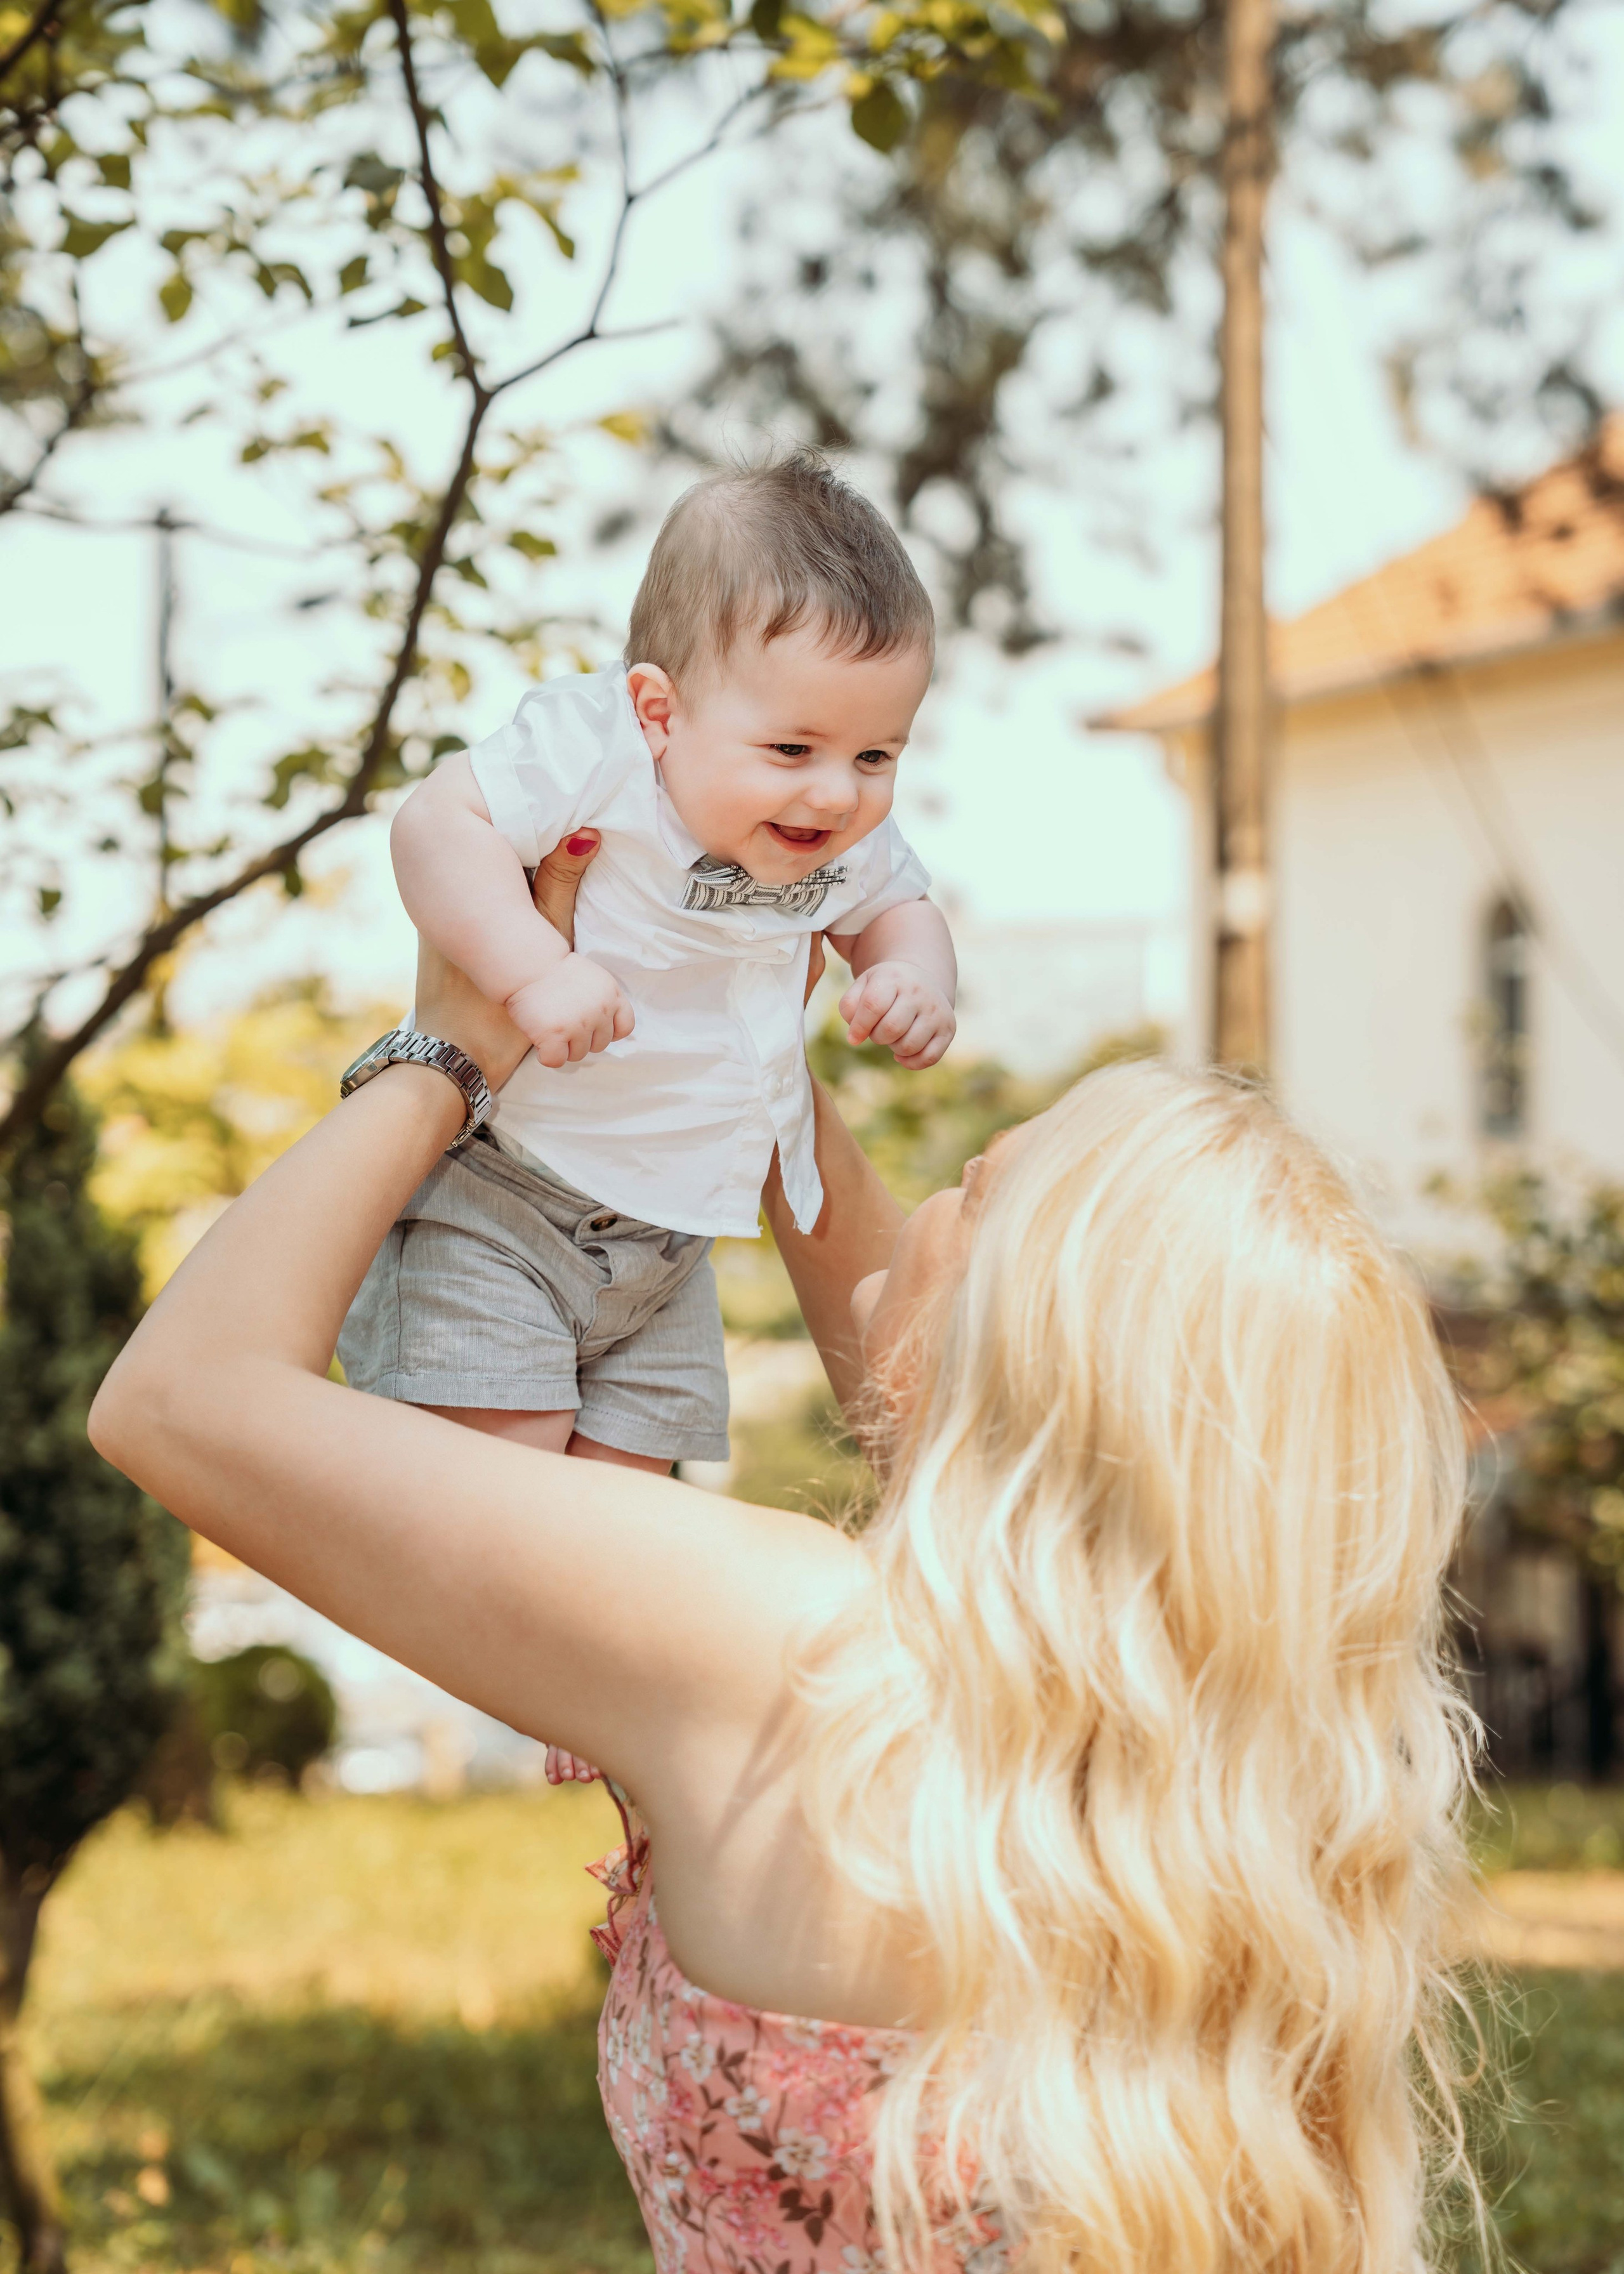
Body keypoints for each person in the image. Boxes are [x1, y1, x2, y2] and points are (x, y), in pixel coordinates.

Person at [88, 845, 1484, 2274]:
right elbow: (938, 1377)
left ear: (1022, 1332)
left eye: (973, 1184)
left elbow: (180, 1397)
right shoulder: (1236, 1788)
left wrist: (446, 1048)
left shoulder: (785, 1648)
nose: (923, 1207)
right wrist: (728, 1029)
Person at [340, 449, 956, 1516]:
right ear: (659, 713)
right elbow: (437, 826)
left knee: (622, 1530)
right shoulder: (596, 752)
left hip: (673, 1240)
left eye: (876, 756)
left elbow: (900, 906)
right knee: (509, 1512)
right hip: (507, 1197)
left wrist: (910, 975)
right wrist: (536, 968)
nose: (839, 794)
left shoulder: (841, 837)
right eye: (794, 746)